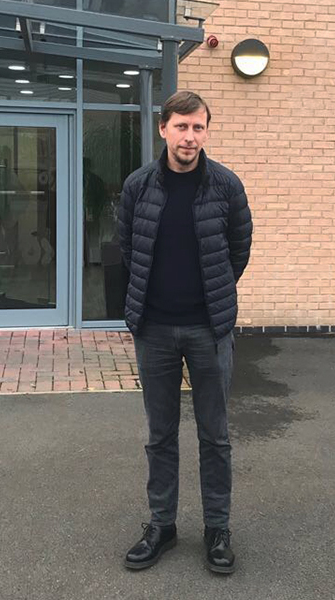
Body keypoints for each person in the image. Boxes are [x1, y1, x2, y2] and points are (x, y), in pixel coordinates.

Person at [116, 91, 253, 573]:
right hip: (154, 329)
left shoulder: (226, 186)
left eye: (198, 127)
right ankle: (162, 525)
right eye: (181, 126)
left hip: (208, 329)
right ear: (163, 129)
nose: (189, 136)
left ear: (206, 131)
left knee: (215, 436)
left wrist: (212, 297)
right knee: (160, 435)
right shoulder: (138, 186)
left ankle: (217, 528)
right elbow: (128, 248)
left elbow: (238, 250)